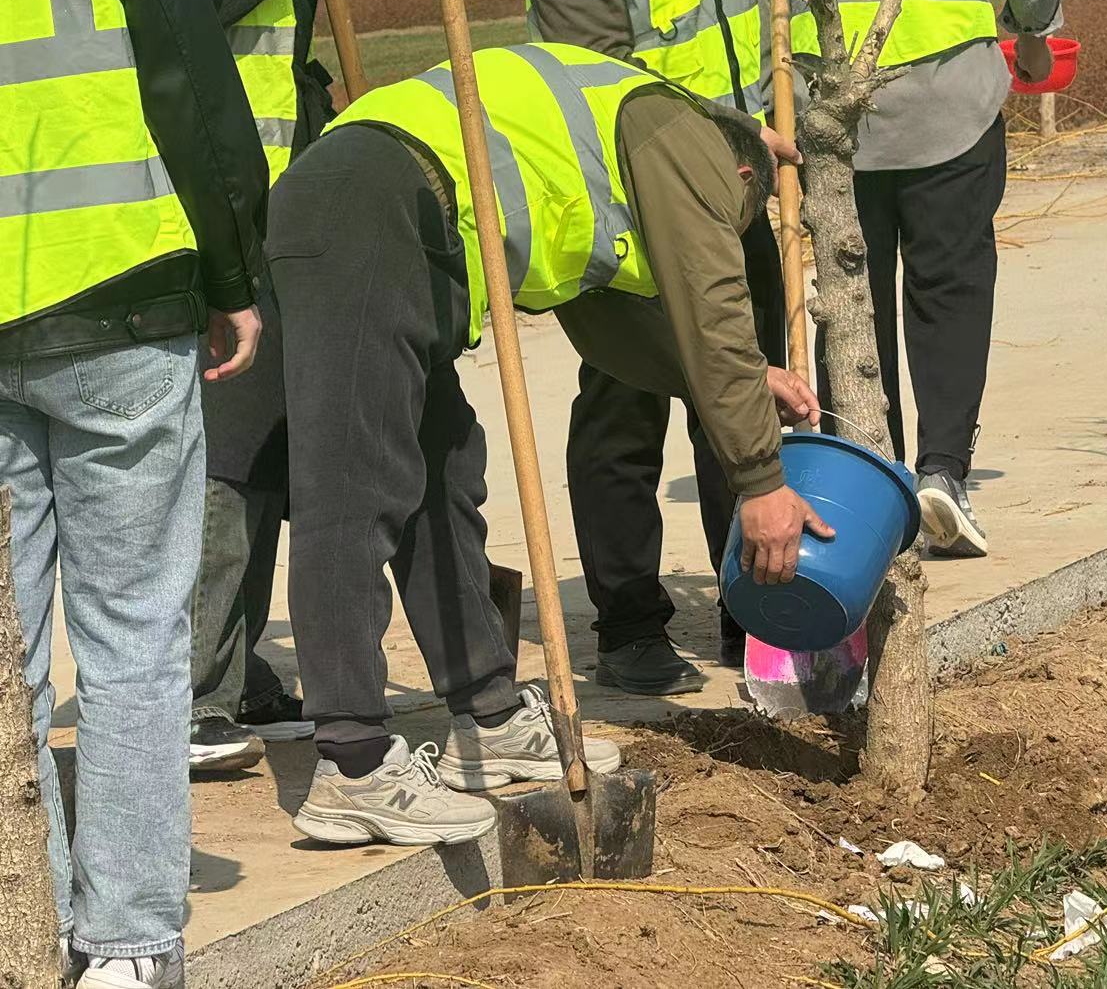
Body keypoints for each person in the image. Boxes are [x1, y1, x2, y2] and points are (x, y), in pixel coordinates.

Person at [270, 42, 830, 847]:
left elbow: (627, 330)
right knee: (357, 481)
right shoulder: (694, 144)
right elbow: (712, 301)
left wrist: (743, 379)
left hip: (400, 211)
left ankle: (487, 712)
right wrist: (760, 477)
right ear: (747, 175)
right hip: (368, 198)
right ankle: (353, 763)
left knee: (441, 471)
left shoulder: (629, 152)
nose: (726, 230)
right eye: (740, 221)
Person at [0, 0, 269, 983]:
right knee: (130, 640)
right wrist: (233, 273)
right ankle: (126, 947)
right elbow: (189, 82)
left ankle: (22, 917)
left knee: (7, 646)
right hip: (113, 304)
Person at [509, 0, 825, 693]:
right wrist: (729, 140)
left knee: (753, 395)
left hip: (746, 187)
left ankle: (755, 608)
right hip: (637, 196)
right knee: (626, 403)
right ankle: (631, 620)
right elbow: (602, 73)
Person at [148, 0, 371, 775]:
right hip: (206, 214)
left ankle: (235, 668)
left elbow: (274, 59)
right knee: (222, 454)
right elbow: (172, 8)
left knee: (266, 444)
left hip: (275, 200)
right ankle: (190, 687)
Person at [796, 0, 1067, 559]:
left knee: (849, 292)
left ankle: (864, 482)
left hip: (834, 101)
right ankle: (942, 474)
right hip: (951, 95)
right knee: (949, 287)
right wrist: (1031, 26)